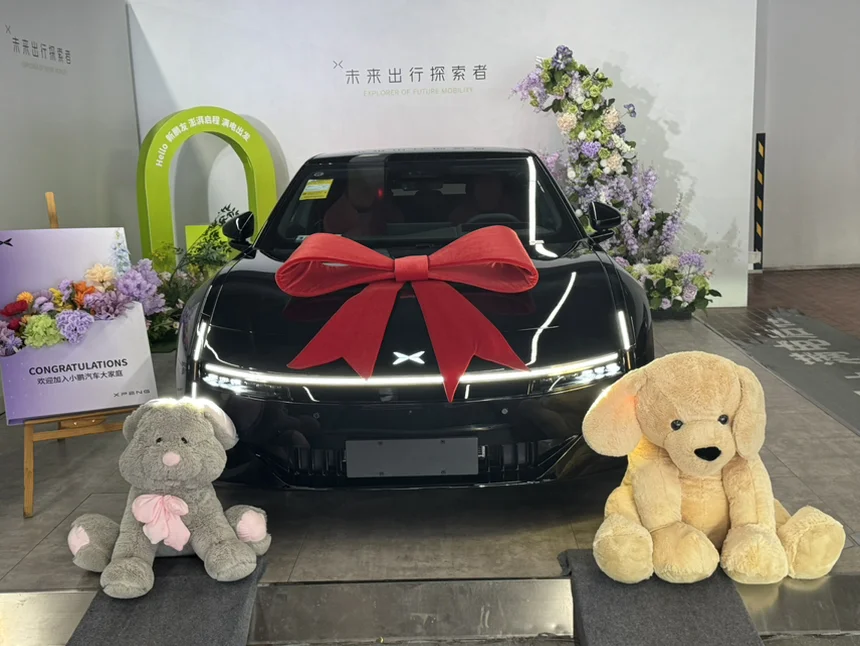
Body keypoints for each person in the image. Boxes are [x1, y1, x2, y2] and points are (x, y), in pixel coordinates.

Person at [322, 167, 402, 237]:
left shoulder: (384, 208)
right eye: (359, 186)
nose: (364, 191)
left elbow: (399, 227)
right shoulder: (336, 214)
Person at [448, 173, 518, 225]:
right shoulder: (461, 214)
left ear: (501, 190)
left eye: (492, 186)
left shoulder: (512, 211)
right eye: (483, 186)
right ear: (474, 190)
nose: (488, 191)